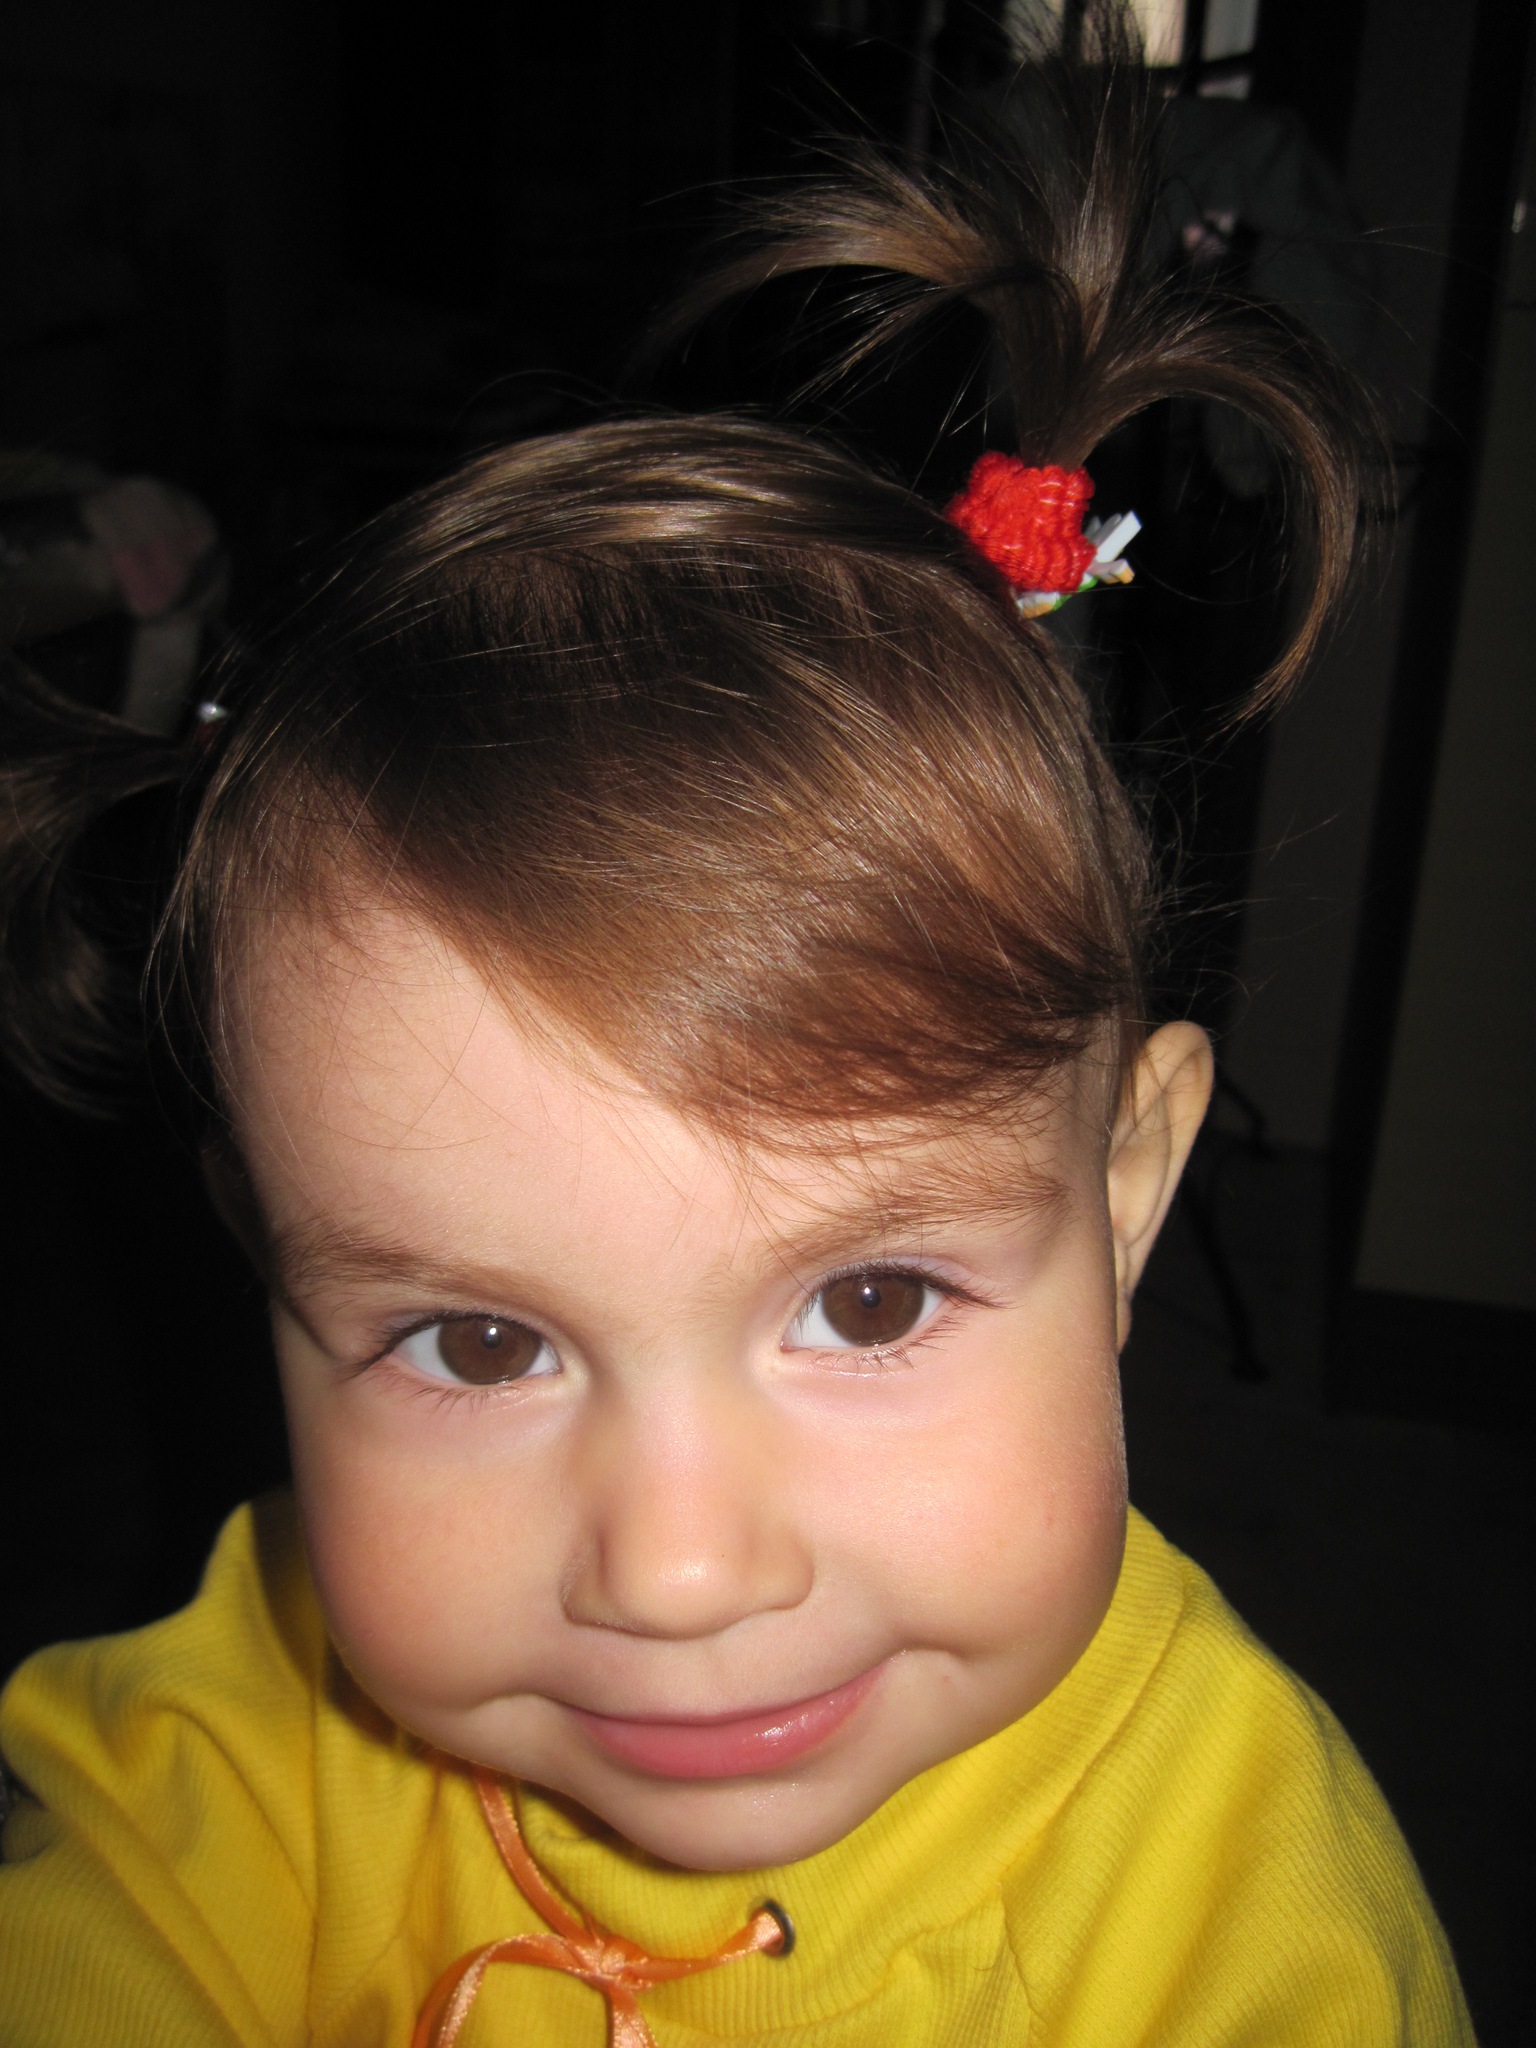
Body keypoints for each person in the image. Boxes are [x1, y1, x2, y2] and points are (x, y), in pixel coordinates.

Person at [0, 18, 1473, 2045]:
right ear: (265, 1254)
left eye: (871, 1302)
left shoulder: (1244, 1930)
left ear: (1128, 1192)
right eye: (479, 1343)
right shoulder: (257, 1709)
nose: (679, 1572)